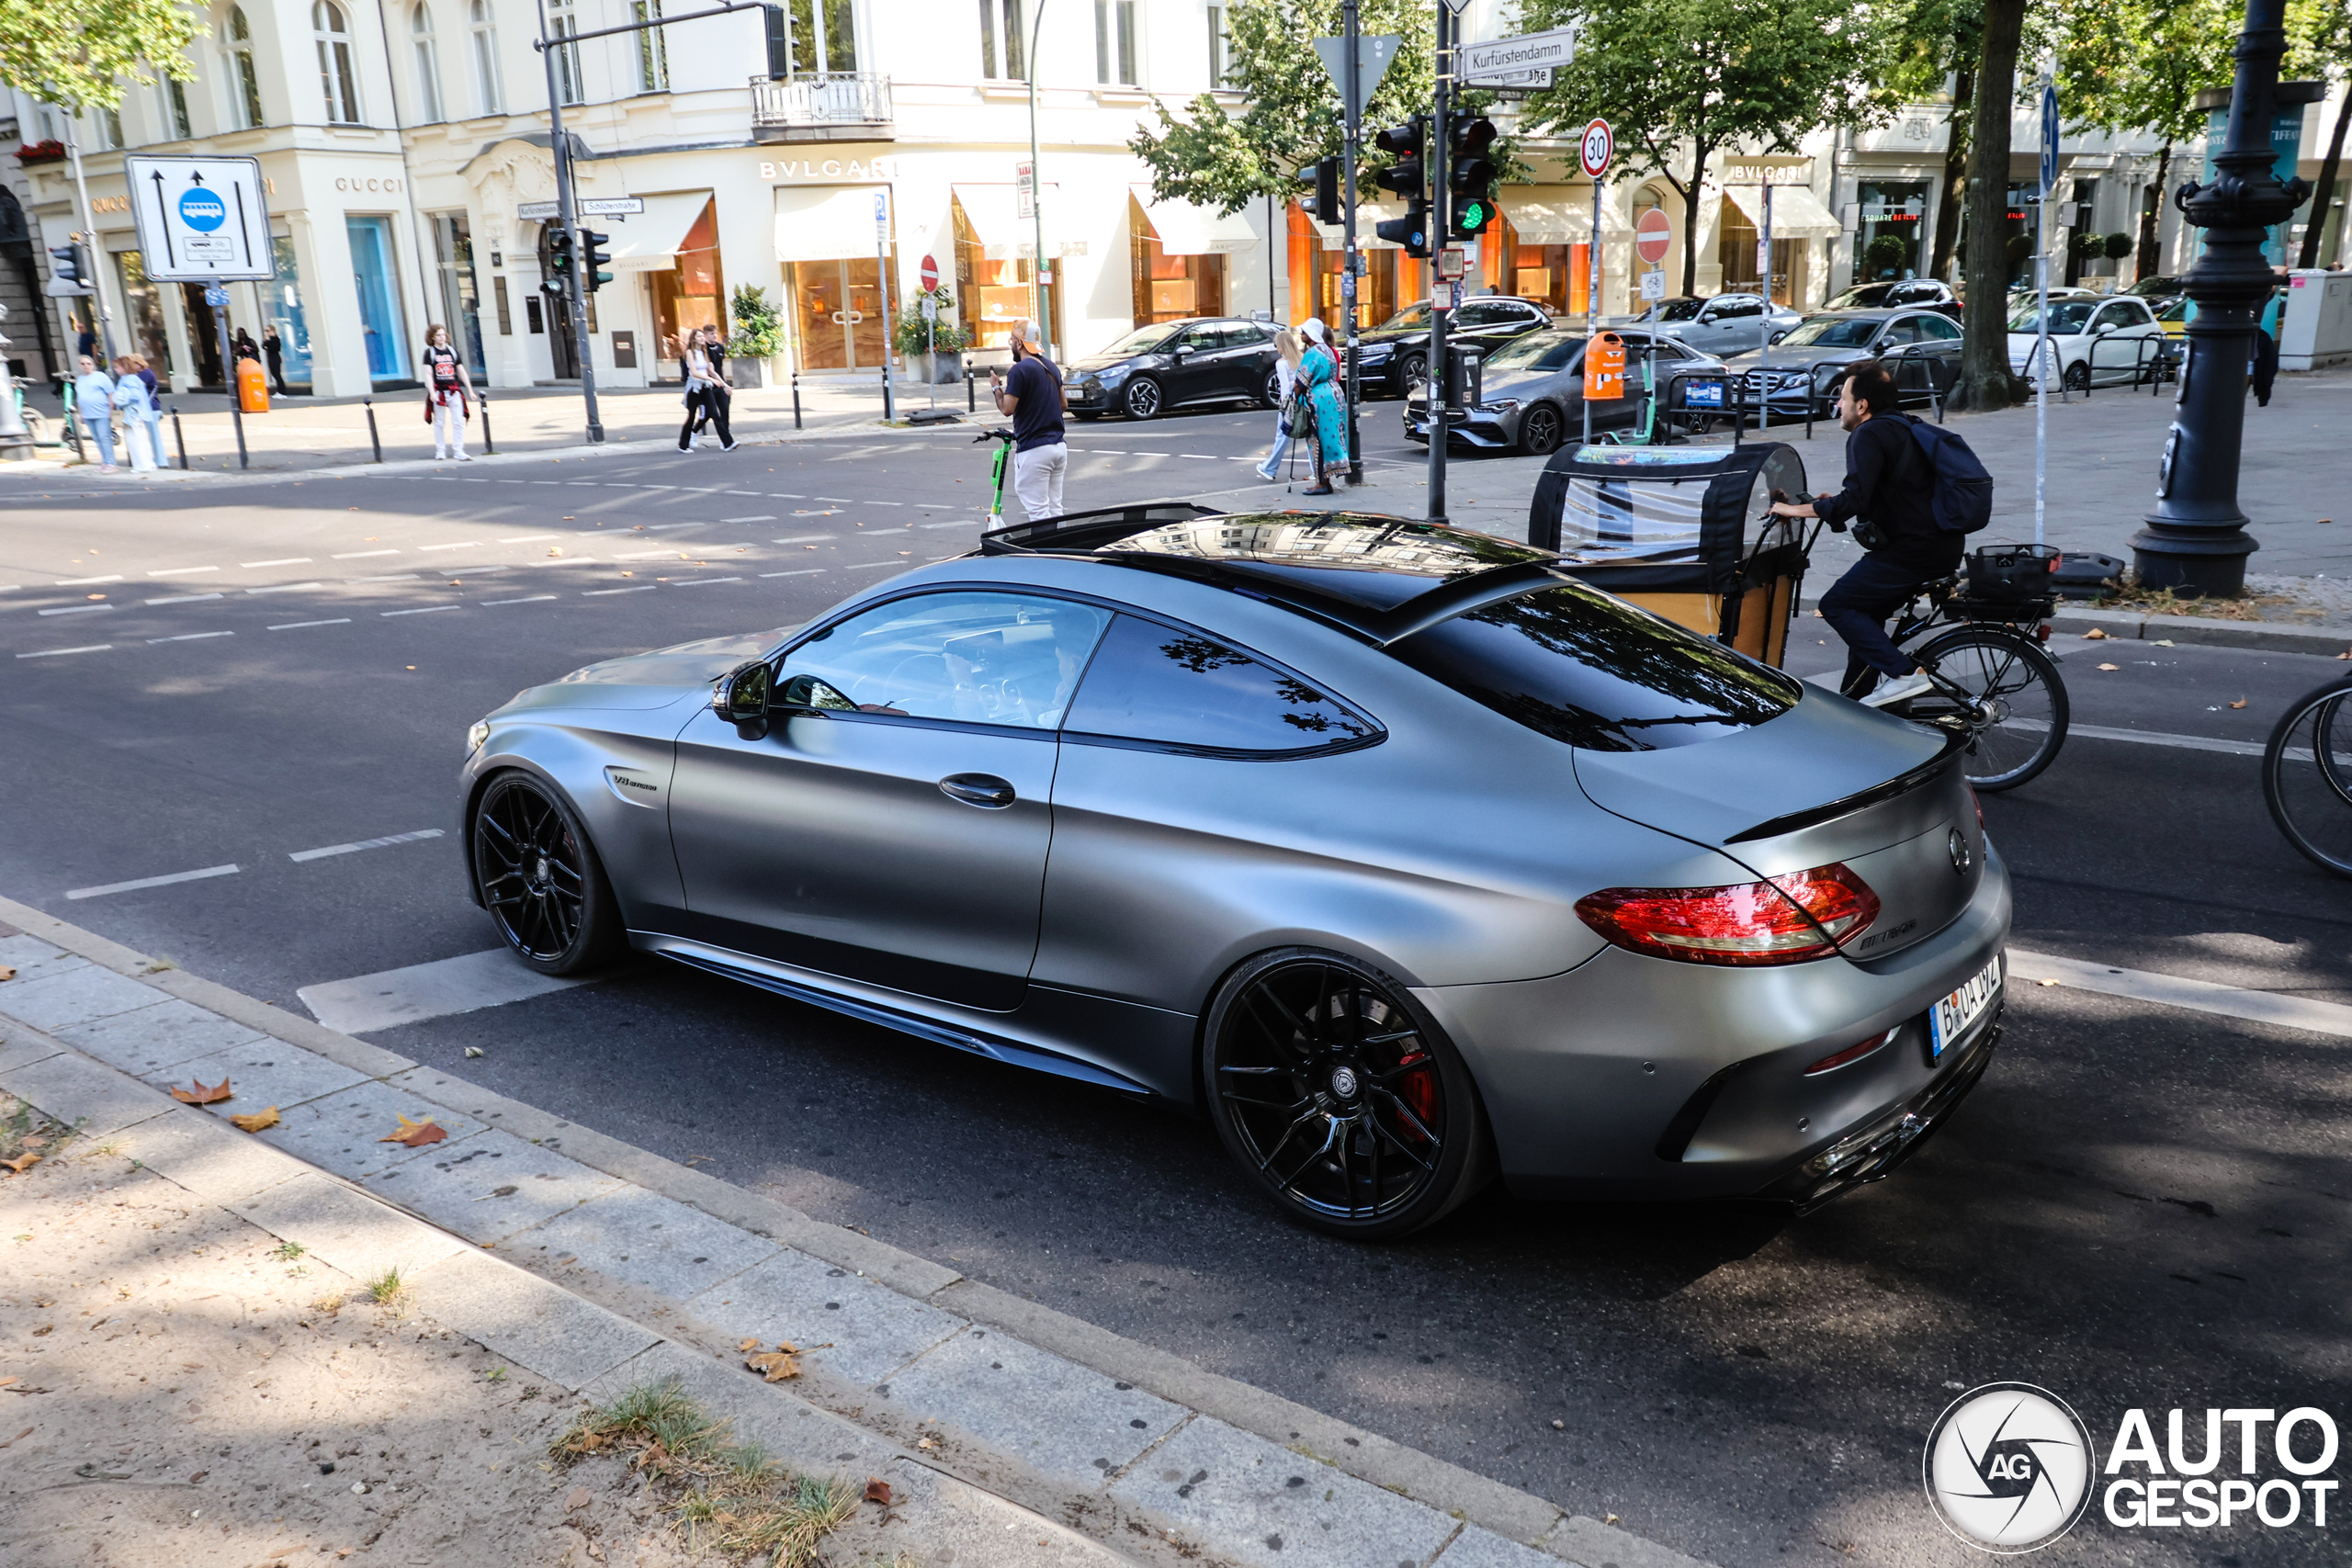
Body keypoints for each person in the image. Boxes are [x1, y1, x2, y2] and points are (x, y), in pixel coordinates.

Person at [1767, 361, 1962, 705]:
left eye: (1842, 397)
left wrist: (1790, 509)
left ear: (1862, 405)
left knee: (1836, 605)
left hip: (1911, 552)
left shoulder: (1867, 434)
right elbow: (1875, 494)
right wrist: (1834, 502)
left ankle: (1903, 675)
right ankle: (1856, 703)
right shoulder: (1905, 426)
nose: (1838, 405)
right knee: (1866, 615)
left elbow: (1853, 500)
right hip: (1939, 545)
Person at [989, 318, 1067, 521]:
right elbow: (1063, 405)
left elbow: (1007, 409)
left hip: (1035, 450)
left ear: (1019, 343)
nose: (1011, 345)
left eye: (1012, 340)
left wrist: (996, 388)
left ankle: (1045, 553)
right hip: (1059, 447)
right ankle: (1060, 550)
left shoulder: (1019, 370)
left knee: (1038, 512)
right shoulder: (1051, 367)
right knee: (1055, 509)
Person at [1295, 318, 1347, 496]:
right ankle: (1326, 480)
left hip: (1320, 399)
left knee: (1317, 440)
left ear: (1310, 334)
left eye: (1304, 331)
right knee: (1330, 437)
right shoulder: (1328, 350)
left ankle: (1321, 483)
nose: (1301, 334)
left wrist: (1291, 400)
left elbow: (1301, 381)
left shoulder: (1312, 353)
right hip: (1335, 395)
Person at [1256, 327, 1303, 481]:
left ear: (1282, 346)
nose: (1276, 348)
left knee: (1282, 436)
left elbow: (1285, 387)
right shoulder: (1301, 359)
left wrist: (1283, 406)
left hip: (1288, 403)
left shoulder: (1281, 364)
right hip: (1302, 401)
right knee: (1309, 436)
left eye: (1277, 345)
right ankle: (1316, 471)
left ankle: (1270, 468)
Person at [678, 327, 736, 452]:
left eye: (702, 336)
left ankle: (727, 443)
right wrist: (711, 380)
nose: (702, 338)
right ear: (693, 339)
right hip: (695, 388)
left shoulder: (704, 353)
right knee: (692, 416)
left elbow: (712, 372)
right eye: (699, 336)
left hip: (706, 388)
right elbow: (694, 373)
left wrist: (723, 384)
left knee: (715, 415)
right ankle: (683, 445)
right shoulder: (689, 352)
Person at [422, 323, 472, 461]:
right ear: (432, 337)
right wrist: (432, 392)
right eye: (438, 335)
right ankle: (440, 451)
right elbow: (428, 374)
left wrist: (470, 389)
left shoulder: (452, 351)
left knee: (458, 422)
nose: (441, 337)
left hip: (454, 390)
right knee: (439, 423)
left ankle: (459, 450)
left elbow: (461, 371)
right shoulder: (430, 353)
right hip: (439, 391)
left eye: (443, 334)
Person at [72, 355, 118, 473]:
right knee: (97, 439)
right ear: (79, 366)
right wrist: (80, 414)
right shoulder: (80, 379)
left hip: (101, 412)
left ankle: (111, 463)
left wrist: (110, 409)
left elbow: (111, 393)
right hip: (87, 414)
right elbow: (79, 398)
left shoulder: (101, 377)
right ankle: (105, 462)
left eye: (88, 363)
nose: (86, 366)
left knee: (104, 437)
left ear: (93, 365)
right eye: (83, 364)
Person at [109, 359, 156, 471]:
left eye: (117, 367)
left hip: (132, 412)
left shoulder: (129, 379)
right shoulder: (130, 378)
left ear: (124, 367)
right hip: (133, 412)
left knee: (134, 439)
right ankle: (145, 464)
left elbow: (134, 395)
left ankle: (141, 465)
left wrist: (120, 400)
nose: (115, 369)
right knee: (138, 438)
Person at [123, 354, 164, 468]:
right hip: (148, 407)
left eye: (131, 364)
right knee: (151, 435)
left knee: (154, 436)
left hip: (151, 407)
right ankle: (157, 460)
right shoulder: (141, 374)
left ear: (138, 363)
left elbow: (135, 388)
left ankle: (160, 461)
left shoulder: (145, 374)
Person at [690, 331, 730, 446]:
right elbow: (710, 371)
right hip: (708, 386)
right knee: (708, 414)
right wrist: (716, 381)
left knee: (724, 411)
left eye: (715, 333)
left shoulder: (719, 347)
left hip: (720, 384)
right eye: (711, 333)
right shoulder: (703, 350)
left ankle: (726, 440)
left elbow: (721, 366)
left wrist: (724, 382)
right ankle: (693, 432)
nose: (715, 335)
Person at [263, 326, 288, 395]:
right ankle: (279, 391)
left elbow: (276, 348)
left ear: (272, 330)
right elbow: (263, 346)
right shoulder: (269, 339)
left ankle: (282, 392)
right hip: (270, 358)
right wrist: (265, 340)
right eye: (266, 331)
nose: (267, 332)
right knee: (274, 374)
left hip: (275, 358)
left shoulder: (276, 339)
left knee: (277, 375)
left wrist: (267, 344)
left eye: (268, 330)